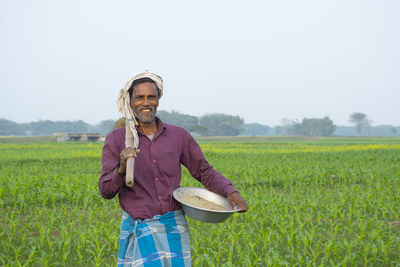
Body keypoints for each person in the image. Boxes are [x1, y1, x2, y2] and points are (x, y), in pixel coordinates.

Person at [98, 71, 248, 267]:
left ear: (158, 100)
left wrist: (231, 192)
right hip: (140, 227)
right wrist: (122, 169)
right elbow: (105, 191)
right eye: (139, 97)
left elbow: (203, 170)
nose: (146, 102)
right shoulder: (117, 139)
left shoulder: (178, 136)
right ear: (130, 101)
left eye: (151, 97)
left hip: (173, 226)